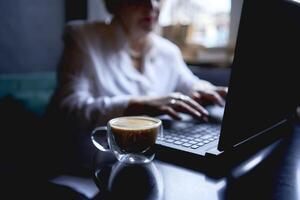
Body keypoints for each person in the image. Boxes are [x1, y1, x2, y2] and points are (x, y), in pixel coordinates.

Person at [45, 0, 227, 170]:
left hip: (152, 165)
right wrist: (137, 104)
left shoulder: (168, 51)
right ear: (114, 3)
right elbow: (68, 109)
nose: (151, 5)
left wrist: (205, 90)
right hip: (92, 166)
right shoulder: (83, 37)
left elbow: (190, 83)